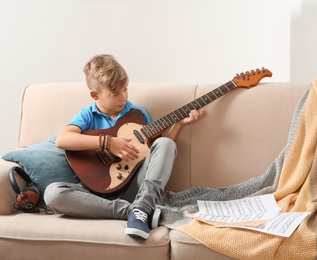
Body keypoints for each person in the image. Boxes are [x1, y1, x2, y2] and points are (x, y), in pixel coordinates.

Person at [44, 54, 204, 239]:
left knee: (165, 142)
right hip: (93, 194)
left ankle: (143, 205)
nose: (123, 97)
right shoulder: (88, 115)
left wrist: (178, 125)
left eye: (125, 89)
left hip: (133, 187)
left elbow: (157, 153)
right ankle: (134, 212)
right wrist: (107, 142)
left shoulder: (137, 114)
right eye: (115, 94)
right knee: (53, 194)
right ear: (95, 95)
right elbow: (63, 139)